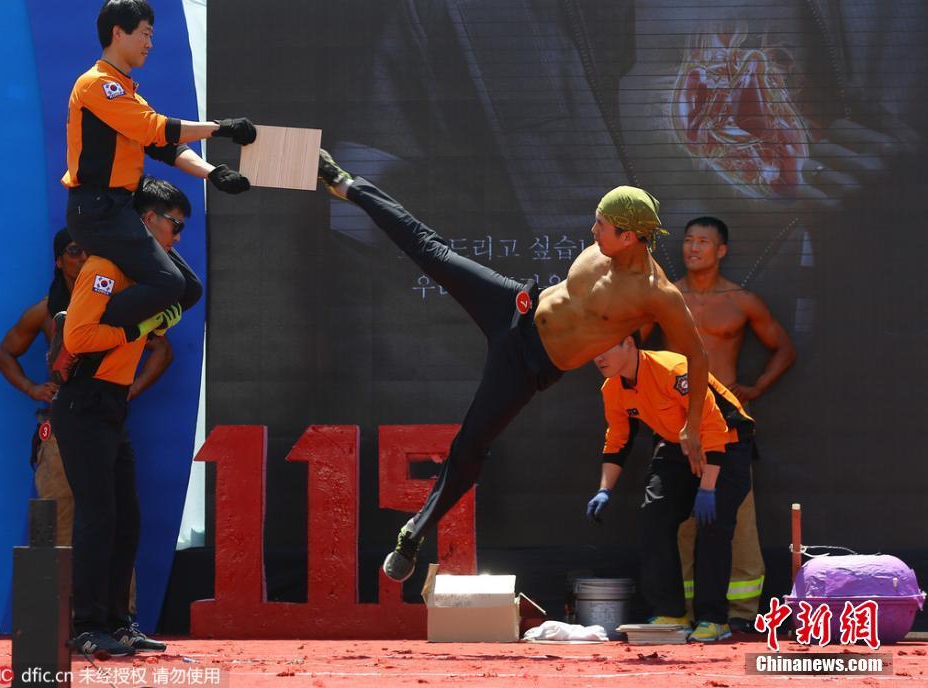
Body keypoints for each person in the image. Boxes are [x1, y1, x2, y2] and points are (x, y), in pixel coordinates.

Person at [317, 149, 710, 583]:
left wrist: (692, 425)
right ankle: (344, 182)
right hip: (515, 304)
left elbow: (698, 354)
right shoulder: (602, 249)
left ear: (629, 236)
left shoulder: (658, 296)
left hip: (527, 364)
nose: (591, 229)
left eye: (600, 224)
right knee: (429, 249)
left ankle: (413, 534)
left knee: (471, 445)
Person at [53, 0, 256, 381]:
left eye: (151, 34)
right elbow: (156, 130)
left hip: (118, 209)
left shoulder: (128, 94)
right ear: (118, 33)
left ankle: (115, 333)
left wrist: (213, 173)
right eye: (145, 33)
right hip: (97, 212)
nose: (150, 43)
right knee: (168, 283)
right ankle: (78, 332)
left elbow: (167, 147)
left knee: (189, 290)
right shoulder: (98, 85)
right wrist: (221, 127)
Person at [50, 177, 192, 657]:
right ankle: (87, 626)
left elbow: (186, 287)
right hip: (82, 403)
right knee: (98, 515)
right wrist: (140, 325)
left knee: (126, 519)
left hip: (111, 404)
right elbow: (79, 339)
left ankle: (119, 622)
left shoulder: (146, 276)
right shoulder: (106, 267)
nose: (177, 238)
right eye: (173, 225)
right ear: (146, 219)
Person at [0, 230, 171, 547]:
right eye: (74, 252)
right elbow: (4, 353)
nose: (84, 259)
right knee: (56, 521)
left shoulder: (118, 309)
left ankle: (116, 599)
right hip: (60, 424)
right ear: (59, 261)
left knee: (113, 521)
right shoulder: (46, 312)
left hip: (105, 416)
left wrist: (130, 387)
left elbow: (162, 350)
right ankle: (53, 598)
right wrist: (32, 388)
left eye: (90, 252)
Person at [669, 217, 796, 632]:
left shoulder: (742, 301)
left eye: (703, 241)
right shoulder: (665, 298)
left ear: (721, 250)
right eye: (688, 240)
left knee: (736, 522)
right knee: (682, 521)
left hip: (727, 423)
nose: (693, 248)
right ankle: (684, 612)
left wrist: (756, 387)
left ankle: (741, 614)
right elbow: (626, 342)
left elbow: (783, 349)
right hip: (677, 420)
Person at [584, 333, 754, 642]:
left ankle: (714, 619)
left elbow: (713, 427)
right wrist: (604, 490)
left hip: (727, 443)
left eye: (605, 347)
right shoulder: (612, 389)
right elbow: (618, 440)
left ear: (629, 344)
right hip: (677, 445)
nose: (598, 358)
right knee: (654, 517)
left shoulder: (674, 370)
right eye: (593, 352)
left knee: (712, 524)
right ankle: (672, 613)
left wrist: (707, 489)